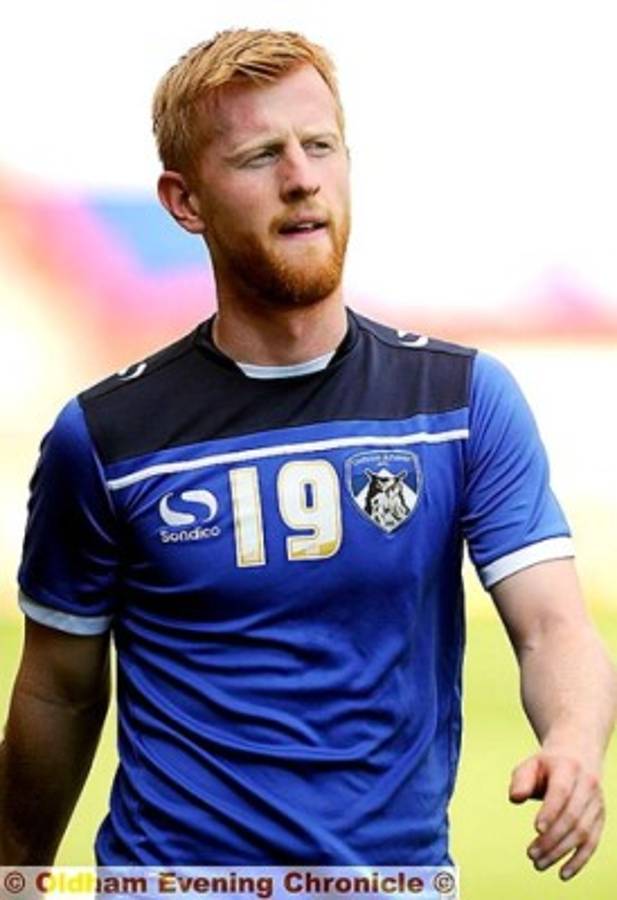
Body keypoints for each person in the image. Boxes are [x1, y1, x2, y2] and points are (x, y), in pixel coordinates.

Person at [1, 27, 616, 882]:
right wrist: (16, 874)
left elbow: (552, 626)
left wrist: (575, 743)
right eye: (260, 155)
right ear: (185, 201)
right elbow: (57, 690)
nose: (300, 178)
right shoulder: (106, 437)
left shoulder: (459, 402)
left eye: (319, 146)